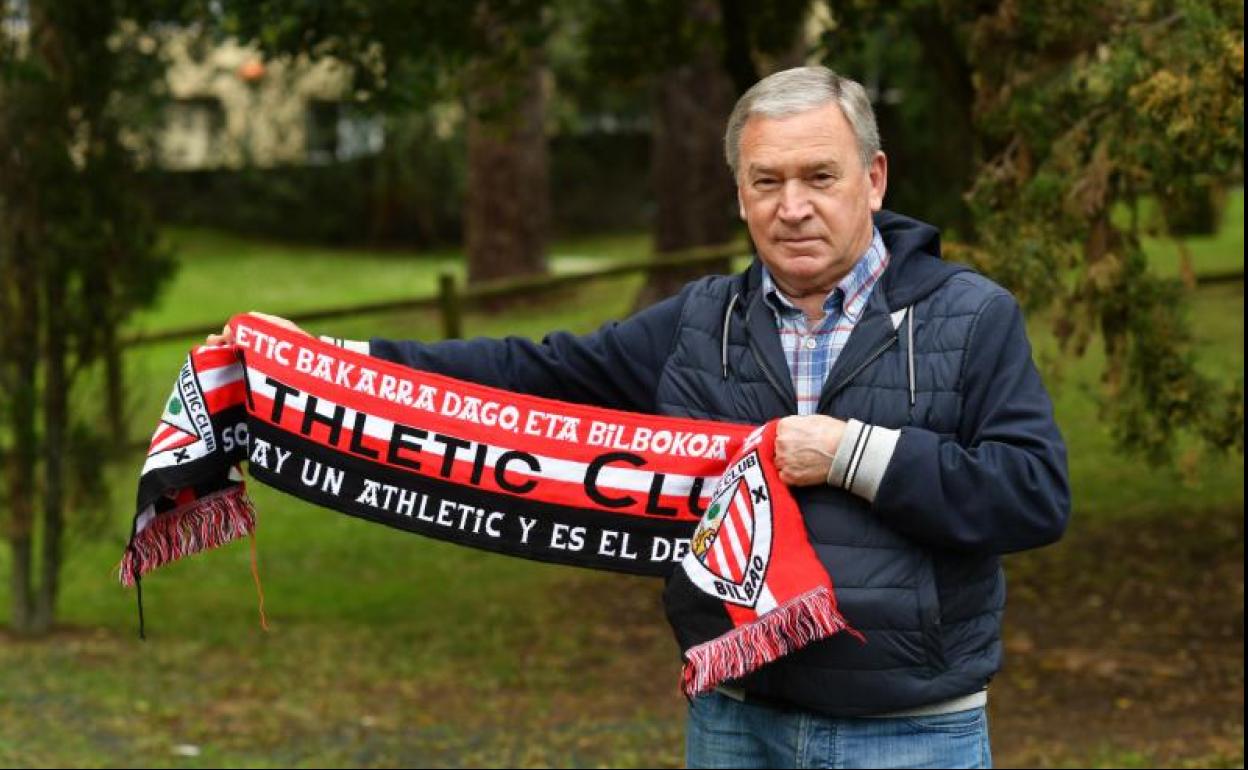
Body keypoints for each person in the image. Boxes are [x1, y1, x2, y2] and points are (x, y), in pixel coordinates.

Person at [209, 66, 1069, 769]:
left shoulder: (969, 315)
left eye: (819, 177)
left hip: (913, 731)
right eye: (766, 182)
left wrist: (853, 454)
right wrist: (326, 359)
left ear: (873, 180)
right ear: (739, 195)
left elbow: (1032, 494)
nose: (792, 205)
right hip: (738, 721)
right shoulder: (700, 321)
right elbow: (533, 374)